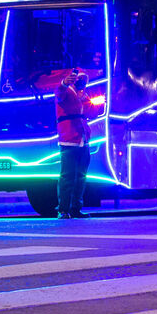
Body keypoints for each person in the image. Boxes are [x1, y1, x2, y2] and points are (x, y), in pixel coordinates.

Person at [55, 69, 93, 219]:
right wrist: (64, 83)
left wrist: (85, 99)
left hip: (83, 139)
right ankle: (63, 209)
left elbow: (90, 112)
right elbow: (59, 93)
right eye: (80, 79)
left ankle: (76, 208)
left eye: (84, 80)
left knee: (81, 176)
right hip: (69, 139)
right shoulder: (66, 92)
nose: (82, 82)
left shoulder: (81, 95)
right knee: (67, 176)